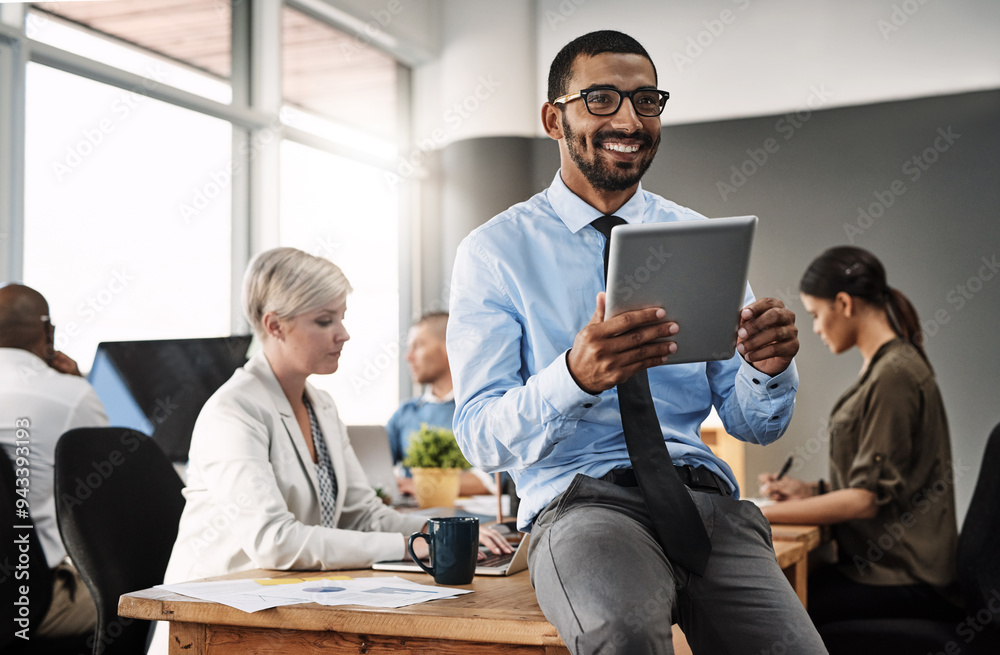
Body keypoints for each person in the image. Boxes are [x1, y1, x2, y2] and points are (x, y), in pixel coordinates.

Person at [447, 30, 827, 654]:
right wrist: (573, 377)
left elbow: (752, 424)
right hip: (582, 506)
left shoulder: (699, 236)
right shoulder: (494, 253)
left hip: (702, 501)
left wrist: (766, 368)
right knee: (622, 636)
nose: (629, 118)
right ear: (554, 118)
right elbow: (480, 438)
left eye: (646, 101)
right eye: (601, 98)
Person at [162, 248, 510, 585]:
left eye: (341, 317)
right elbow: (275, 541)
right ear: (275, 326)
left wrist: (439, 532)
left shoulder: (322, 406)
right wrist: (410, 548)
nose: (343, 333)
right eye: (325, 320)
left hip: (284, 598)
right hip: (212, 611)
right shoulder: (234, 412)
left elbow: (362, 514)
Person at [759, 246, 961, 629]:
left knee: (774, 615)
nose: (815, 328)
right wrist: (811, 491)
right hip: (892, 569)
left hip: (905, 575)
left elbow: (866, 500)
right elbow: (884, 486)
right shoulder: (887, 366)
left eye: (817, 315)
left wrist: (758, 515)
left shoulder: (894, 375)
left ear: (844, 303)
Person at [0, 283, 104, 638]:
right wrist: (79, 387)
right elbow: (115, 492)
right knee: (138, 591)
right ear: (48, 331)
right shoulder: (70, 395)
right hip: (28, 601)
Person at [387, 311, 489, 497]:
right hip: (414, 518)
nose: (408, 357)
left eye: (417, 346)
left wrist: (421, 485)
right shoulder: (405, 412)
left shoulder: (480, 409)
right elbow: (378, 468)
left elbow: (490, 480)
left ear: (448, 348)